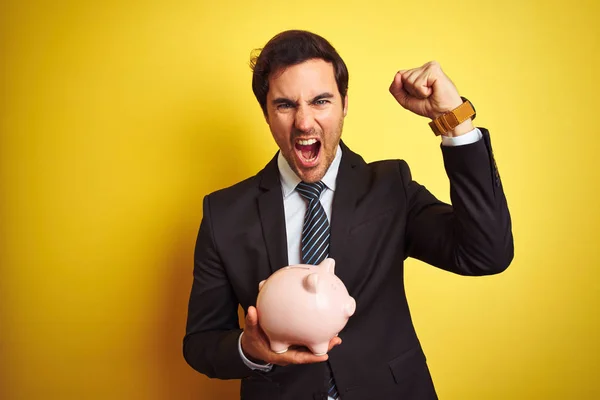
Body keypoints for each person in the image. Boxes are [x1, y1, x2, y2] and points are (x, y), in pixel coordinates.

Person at [183, 30, 513, 400]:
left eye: (321, 101)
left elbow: (486, 253)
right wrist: (250, 349)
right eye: (286, 105)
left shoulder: (391, 186)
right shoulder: (223, 212)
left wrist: (455, 122)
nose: (305, 123)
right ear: (266, 113)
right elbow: (201, 343)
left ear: (344, 104)